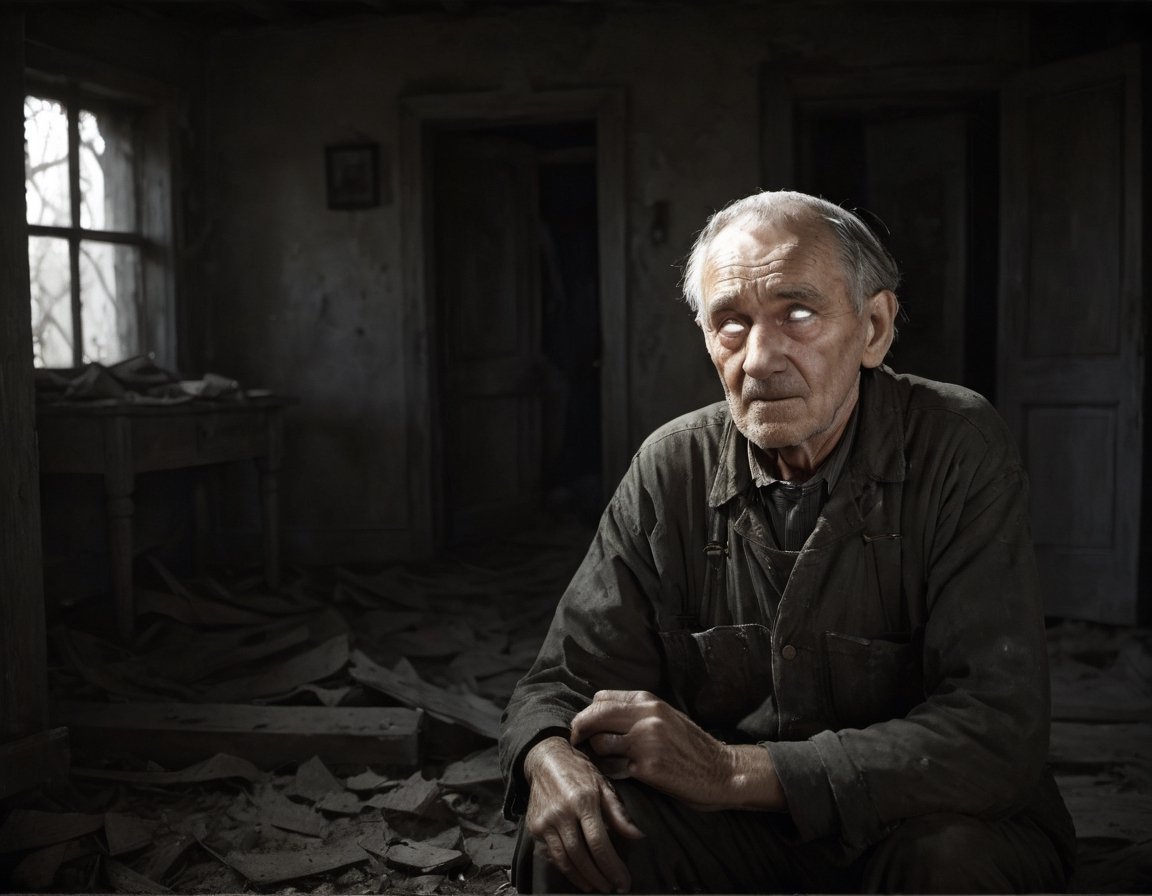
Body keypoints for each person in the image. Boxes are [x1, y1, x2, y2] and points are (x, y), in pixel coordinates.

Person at [498, 190, 1076, 894]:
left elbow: (997, 731)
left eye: (797, 314)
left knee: (950, 867)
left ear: (874, 327)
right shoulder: (670, 466)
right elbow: (560, 684)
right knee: (572, 849)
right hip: (739, 835)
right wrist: (548, 756)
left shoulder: (958, 445)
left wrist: (732, 771)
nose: (761, 358)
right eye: (731, 324)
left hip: (913, 821)